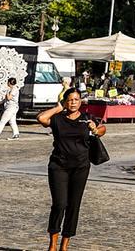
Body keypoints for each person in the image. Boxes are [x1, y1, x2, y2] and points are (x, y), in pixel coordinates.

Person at [38, 87, 106, 251]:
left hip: (80, 167)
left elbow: (103, 129)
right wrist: (58, 108)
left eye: (76, 99)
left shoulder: (87, 118)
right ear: (65, 101)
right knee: (59, 204)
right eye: (70, 100)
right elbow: (41, 118)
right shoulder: (58, 118)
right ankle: (52, 244)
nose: (73, 102)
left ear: (81, 101)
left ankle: (65, 245)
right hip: (58, 166)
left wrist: (95, 130)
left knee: (74, 205)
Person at [0, 76, 21, 141]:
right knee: (12, 121)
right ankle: (16, 134)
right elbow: (5, 99)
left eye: (8, 82)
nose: (7, 83)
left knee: (3, 121)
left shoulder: (14, 89)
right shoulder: (11, 89)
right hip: (11, 107)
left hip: (11, 107)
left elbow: (9, 98)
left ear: (9, 83)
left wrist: (7, 92)